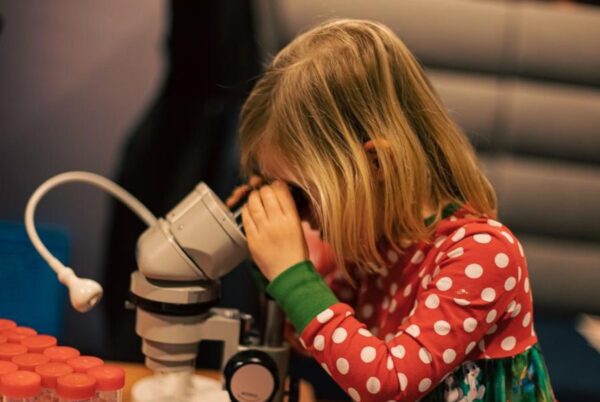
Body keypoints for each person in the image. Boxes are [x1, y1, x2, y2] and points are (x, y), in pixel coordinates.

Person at [227, 19, 556, 402]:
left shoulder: (484, 254)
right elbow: (317, 338)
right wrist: (265, 255)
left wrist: (293, 275)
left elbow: (389, 385)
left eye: (302, 193)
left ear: (377, 164)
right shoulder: (378, 245)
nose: (301, 215)